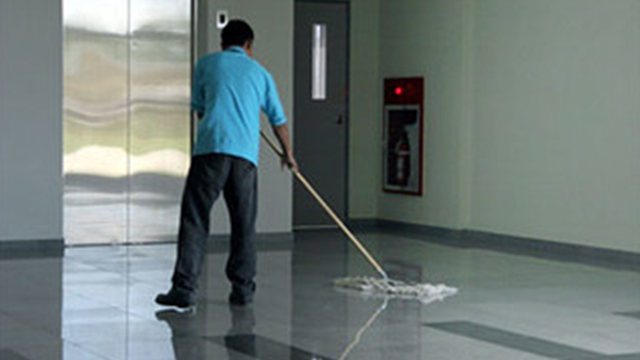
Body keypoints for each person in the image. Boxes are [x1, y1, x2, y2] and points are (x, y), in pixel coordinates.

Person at [156, 19, 297, 309]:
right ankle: (242, 290)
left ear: (223, 43)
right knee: (244, 224)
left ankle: (184, 288)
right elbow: (279, 121)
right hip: (245, 158)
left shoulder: (206, 64)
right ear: (249, 46)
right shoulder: (260, 73)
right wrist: (288, 154)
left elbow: (200, 111)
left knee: (195, 218)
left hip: (211, 150)